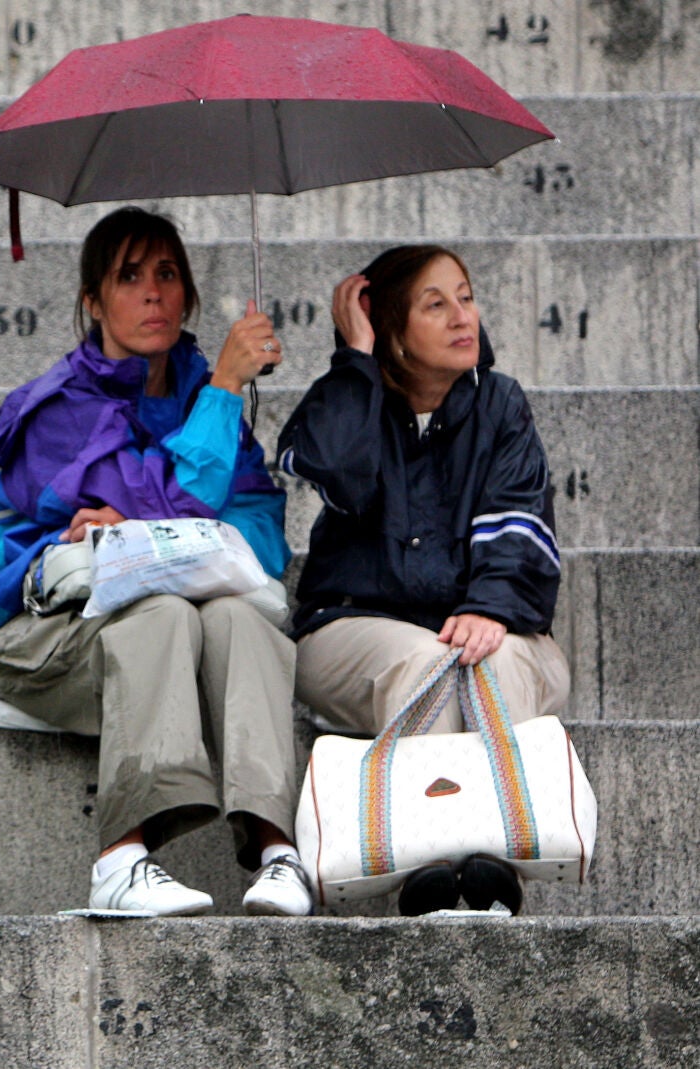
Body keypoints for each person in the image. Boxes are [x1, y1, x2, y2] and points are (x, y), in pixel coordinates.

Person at [0, 206, 312, 917]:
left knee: (243, 617)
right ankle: (120, 857)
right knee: (161, 606)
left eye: (167, 273)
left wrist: (207, 413)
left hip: (161, 644)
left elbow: (261, 535)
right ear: (93, 301)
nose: (152, 292)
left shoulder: (201, 397)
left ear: (188, 295)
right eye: (128, 276)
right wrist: (224, 389)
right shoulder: (53, 409)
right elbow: (173, 500)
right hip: (44, 641)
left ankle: (279, 852)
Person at [278, 244, 568, 915]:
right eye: (435, 304)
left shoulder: (501, 405)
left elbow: (523, 516)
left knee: (482, 663)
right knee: (430, 665)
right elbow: (336, 472)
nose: (462, 316)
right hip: (352, 628)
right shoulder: (351, 398)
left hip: (501, 620)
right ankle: (430, 867)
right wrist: (356, 360)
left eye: (465, 296)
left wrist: (491, 605)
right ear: (390, 325)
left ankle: (490, 871)